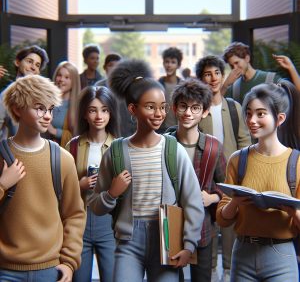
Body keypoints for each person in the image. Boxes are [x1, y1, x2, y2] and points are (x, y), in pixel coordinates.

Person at [88, 59, 204, 282]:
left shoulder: (173, 150)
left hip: (167, 240)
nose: (159, 113)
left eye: (162, 107)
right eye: (150, 107)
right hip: (128, 242)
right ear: (133, 109)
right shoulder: (116, 151)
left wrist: (189, 244)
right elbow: (96, 205)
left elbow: (192, 201)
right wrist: (111, 193)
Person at [0, 75, 85, 282]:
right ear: (18, 108)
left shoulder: (62, 159)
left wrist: (69, 261)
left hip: (50, 269)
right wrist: (2, 184)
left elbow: (74, 214)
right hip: (5, 270)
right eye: (39, 108)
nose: (47, 115)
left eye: (50, 109)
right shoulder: (1, 156)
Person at [216, 82, 300, 281]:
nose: (252, 120)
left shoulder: (296, 163)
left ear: (279, 118)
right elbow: (222, 218)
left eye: (261, 114)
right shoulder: (238, 159)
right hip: (242, 253)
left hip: (281, 256)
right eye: (249, 113)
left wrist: (292, 212)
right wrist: (235, 201)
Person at [195, 56, 252, 281]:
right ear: (201, 79)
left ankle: (228, 269)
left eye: (217, 73)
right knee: (208, 224)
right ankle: (209, 269)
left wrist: (243, 170)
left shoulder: (234, 107)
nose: (213, 78)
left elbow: (244, 141)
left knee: (229, 223)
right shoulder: (199, 109)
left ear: (222, 74)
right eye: (207, 74)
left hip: (231, 175)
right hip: (205, 177)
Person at [170, 80, 226, 282]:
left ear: (204, 112)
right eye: (183, 106)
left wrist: (212, 197)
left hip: (202, 228)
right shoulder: (164, 144)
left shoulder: (213, 147)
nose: (188, 113)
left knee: (202, 278)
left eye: (195, 108)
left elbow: (226, 186)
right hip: (170, 224)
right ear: (175, 108)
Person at [66, 86, 119, 282]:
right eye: (92, 110)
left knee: (112, 276)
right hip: (79, 219)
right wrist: (79, 184)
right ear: (84, 114)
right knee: (79, 277)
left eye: (104, 110)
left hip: (109, 221)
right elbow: (60, 189)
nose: (99, 116)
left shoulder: (120, 146)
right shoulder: (72, 146)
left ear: (111, 113)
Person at [0, 45, 49, 140]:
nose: (33, 67)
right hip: (12, 152)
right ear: (17, 62)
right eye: (29, 61)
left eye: (37, 65)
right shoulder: (6, 95)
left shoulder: (43, 96)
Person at [47, 61, 81, 147]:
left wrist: (54, 131)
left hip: (66, 154)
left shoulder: (79, 106)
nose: (61, 79)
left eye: (67, 77)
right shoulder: (46, 101)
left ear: (74, 81)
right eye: (59, 75)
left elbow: (81, 137)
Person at [158, 47, 183, 132]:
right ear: (163, 63)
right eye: (167, 62)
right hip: (160, 129)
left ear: (178, 65)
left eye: (173, 62)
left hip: (178, 130)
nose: (169, 65)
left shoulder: (183, 86)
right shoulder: (157, 85)